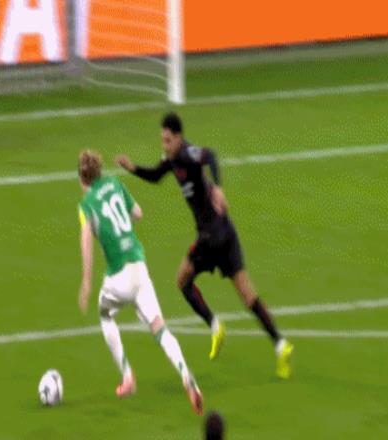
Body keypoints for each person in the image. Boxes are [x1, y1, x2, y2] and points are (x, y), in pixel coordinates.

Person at [116, 112, 294, 379]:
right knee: (248, 296)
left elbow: (210, 155)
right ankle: (280, 344)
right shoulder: (172, 158)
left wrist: (218, 187)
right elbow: (156, 175)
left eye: (168, 140)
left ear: (179, 137)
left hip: (211, 237)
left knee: (182, 281)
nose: (165, 145)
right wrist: (133, 168)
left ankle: (214, 325)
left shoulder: (187, 154)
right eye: (163, 140)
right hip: (226, 232)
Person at [77, 149, 203, 414]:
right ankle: (186, 374)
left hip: (118, 278)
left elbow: (86, 240)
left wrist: (86, 281)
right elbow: (138, 213)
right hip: (139, 268)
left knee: (105, 315)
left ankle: (127, 376)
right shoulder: (115, 184)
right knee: (159, 328)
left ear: (82, 178)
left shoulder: (86, 204)